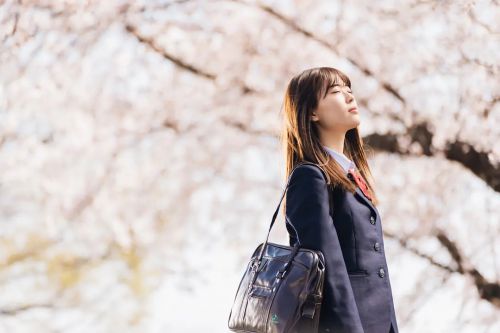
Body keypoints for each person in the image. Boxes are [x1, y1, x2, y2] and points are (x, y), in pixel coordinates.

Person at [280, 67, 399, 333]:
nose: (348, 96)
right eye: (335, 91)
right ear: (312, 112)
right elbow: (327, 266)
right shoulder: (310, 177)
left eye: (349, 89)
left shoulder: (350, 175)